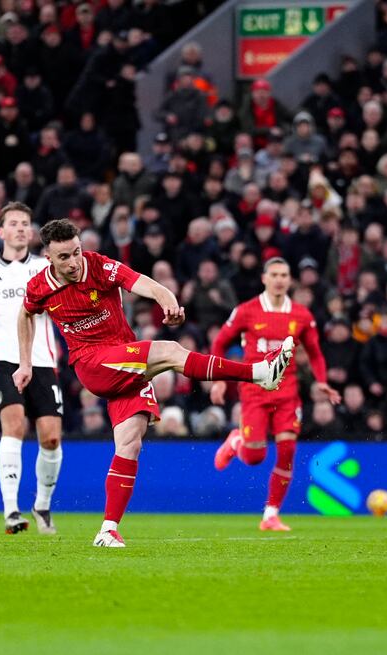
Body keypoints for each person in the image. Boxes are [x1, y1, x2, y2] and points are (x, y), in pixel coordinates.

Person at [15, 220, 294, 548]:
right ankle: (259, 372)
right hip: (93, 363)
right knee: (171, 351)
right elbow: (25, 315)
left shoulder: (98, 265)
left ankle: (108, 529)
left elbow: (142, 283)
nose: (74, 262)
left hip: (126, 360)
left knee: (130, 444)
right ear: (48, 257)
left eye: (76, 252)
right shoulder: (39, 287)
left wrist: (168, 300)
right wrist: (24, 363)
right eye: (64, 257)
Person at [210, 257, 341, 531]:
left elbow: (316, 353)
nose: (280, 279)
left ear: (290, 280)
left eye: (284, 274)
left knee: (287, 449)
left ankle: (271, 514)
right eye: (275, 274)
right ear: (264, 278)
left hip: (287, 391)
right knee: (255, 456)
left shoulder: (302, 315)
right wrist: (220, 381)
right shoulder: (246, 311)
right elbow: (220, 342)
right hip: (254, 390)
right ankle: (236, 442)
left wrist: (322, 381)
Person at [0, 202, 65, 535]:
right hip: (3, 358)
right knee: (13, 427)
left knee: (51, 439)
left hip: (41, 359)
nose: (21, 228)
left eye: (25, 223)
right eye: (14, 223)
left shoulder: (46, 266)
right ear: (1, 231)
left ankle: (42, 505)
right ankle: (11, 510)